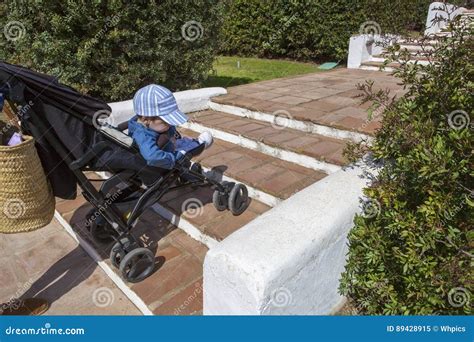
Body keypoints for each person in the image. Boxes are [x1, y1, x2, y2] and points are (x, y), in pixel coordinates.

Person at [128, 84, 212, 169]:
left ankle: (194, 145)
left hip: (170, 145)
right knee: (185, 153)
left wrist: (175, 138)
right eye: (166, 121)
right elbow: (152, 156)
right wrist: (174, 158)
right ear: (145, 119)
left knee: (181, 141)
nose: (170, 124)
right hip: (165, 160)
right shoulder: (142, 135)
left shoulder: (152, 126)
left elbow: (171, 132)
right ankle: (198, 144)